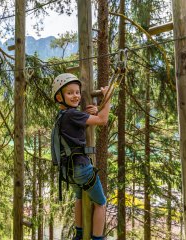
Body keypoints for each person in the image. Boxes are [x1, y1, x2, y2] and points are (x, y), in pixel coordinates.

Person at [51, 73, 112, 240]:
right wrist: (107, 99)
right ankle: (98, 238)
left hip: (70, 171)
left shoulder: (62, 116)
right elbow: (102, 120)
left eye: (77, 92)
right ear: (59, 97)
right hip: (82, 168)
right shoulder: (73, 115)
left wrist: (96, 111)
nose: (76, 95)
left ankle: (79, 234)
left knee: (79, 198)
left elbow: (78, 130)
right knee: (100, 203)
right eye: (70, 93)